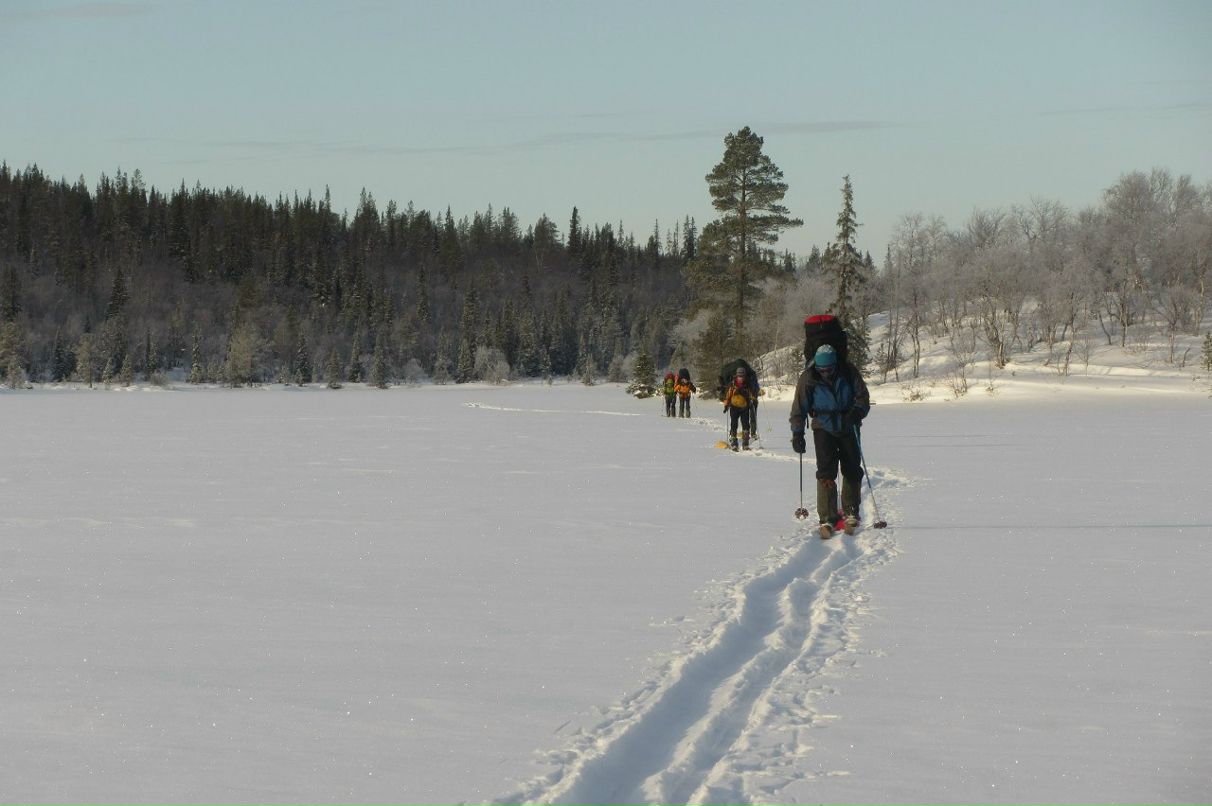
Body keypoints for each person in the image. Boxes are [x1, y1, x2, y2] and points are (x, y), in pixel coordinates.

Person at [789, 344, 870, 537]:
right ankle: (827, 517)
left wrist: (856, 413)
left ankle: (851, 512)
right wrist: (797, 434)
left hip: (848, 423)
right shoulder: (808, 377)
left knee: (851, 467)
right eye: (821, 369)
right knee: (826, 471)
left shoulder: (848, 371)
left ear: (835, 364)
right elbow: (799, 408)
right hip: (822, 426)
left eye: (829, 370)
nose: (825, 373)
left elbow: (863, 397)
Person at [723, 365, 757, 451]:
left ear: (744, 376)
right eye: (739, 376)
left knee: (746, 425)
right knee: (734, 425)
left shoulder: (747, 384)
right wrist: (726, 405)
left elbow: (751, 394)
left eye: (742, 376)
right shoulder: (732, 384)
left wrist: (753, 400)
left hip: (744, 407)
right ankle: (734, 443)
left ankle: (745, 443)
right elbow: (728, 395)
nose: (740, 378)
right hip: (734, 407)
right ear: (736, 376)